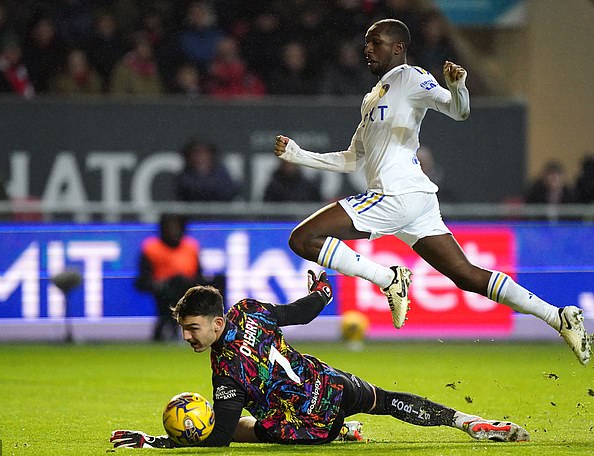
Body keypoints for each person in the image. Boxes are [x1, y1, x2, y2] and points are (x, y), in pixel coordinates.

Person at [272, 19, 590, 365]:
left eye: (375, 42)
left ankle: (388, 278)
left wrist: (458, 88)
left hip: (396, 194)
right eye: (366, 43)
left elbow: (458, 111)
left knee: (303, 239)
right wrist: (298, 155)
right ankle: (559, 316)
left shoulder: (413, 77)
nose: (367, 49)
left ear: (398, 48)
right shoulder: (372, 97)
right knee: (466, 275)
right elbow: (352, 159)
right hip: (414, 201)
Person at [110, 270, 530, 448]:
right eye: (184, 329)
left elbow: (218, 438)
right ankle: (469, 422)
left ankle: (344, 434)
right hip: (328, 383)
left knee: (238, 427)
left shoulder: (226, 370)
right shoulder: (249, 309)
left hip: (306, 425)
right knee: (384, 400)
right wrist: (323, 294)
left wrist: (161, 440)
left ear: (217, 323)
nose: (187, 337)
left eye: (193, 328)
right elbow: (298, 313)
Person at [135, 214, 202, 341]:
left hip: (188, 289)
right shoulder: (151, 248)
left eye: (176, 227)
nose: (173, 231)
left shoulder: (191, 247)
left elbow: (199, 275)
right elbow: (143, 280)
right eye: (169, 227)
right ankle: (168, 326)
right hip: (164, 290)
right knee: (174, 286)